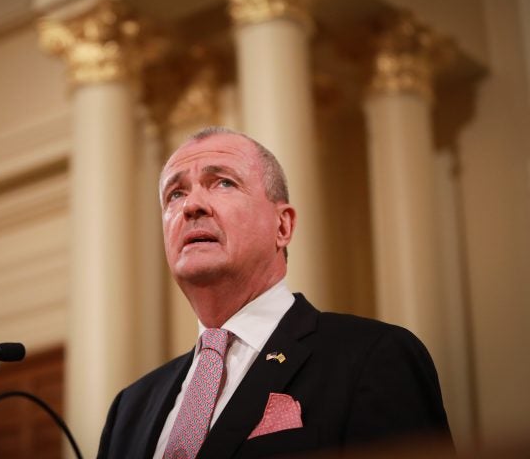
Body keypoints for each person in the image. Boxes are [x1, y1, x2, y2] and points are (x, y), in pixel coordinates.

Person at [96, 127, 451, 459]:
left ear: (282, 225)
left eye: (222, 183)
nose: (191, 206)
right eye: (176, 194)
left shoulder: (371, 357)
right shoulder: (129, 410)